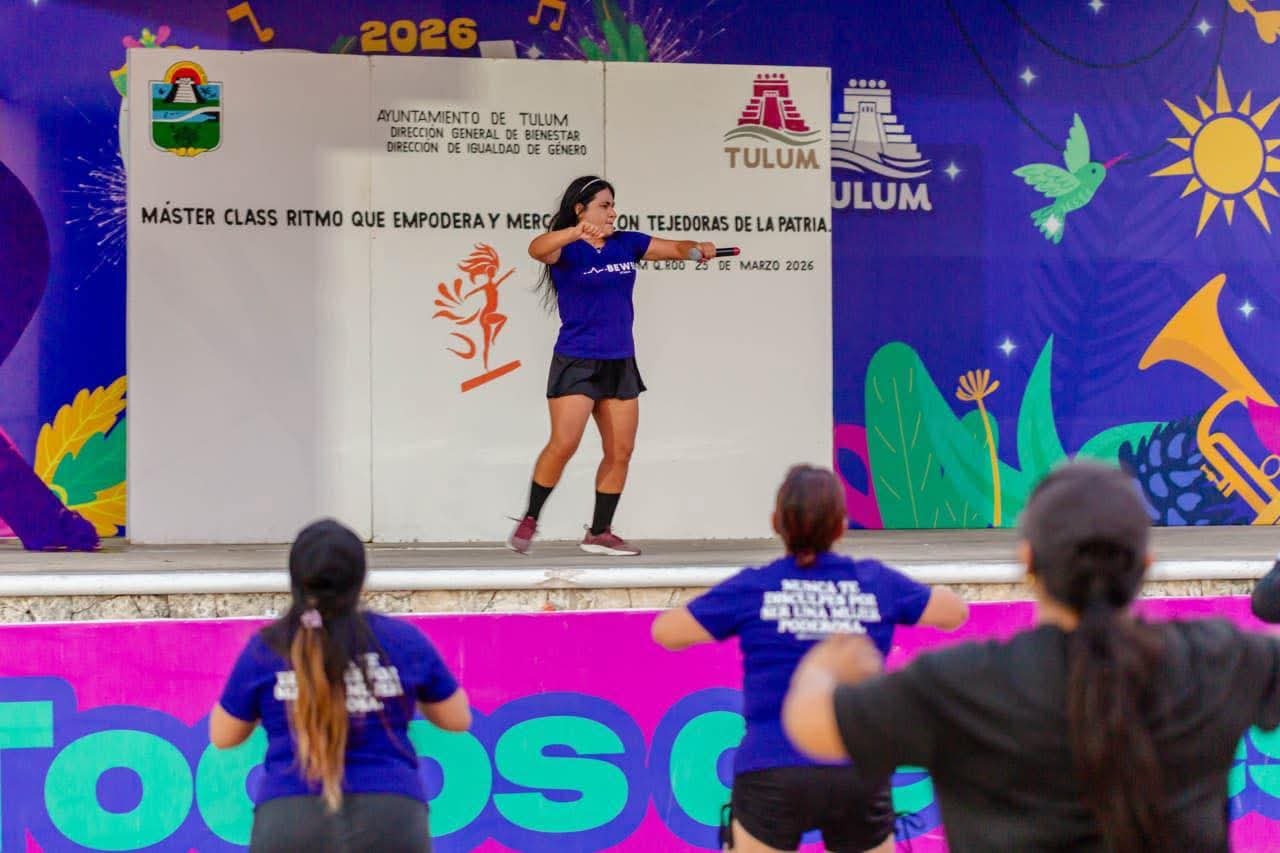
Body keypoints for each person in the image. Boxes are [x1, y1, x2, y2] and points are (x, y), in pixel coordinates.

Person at [783, 460, 1280, 852]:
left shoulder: (959, 684)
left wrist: (822, 667)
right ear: (1144, 563)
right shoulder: (1219, 660)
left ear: (1027, 561)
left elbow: (811, 726)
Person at [652, 464, 969, 852]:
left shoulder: (755, 586)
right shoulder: (875, 582)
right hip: (858, 767)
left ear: (776, 523)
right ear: (841, 526)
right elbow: (954, 613)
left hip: (772, 767)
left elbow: (666, 632)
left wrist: (740, 607)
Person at [209, 519, 471, 852]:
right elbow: (457, 718)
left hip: (291, 817)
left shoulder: (267, 648)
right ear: (360, 580)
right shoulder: (402, 641)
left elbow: (223, 736)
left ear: (297, 581)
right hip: (390, 814)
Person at [507, 174, 716, 557]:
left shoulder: (627, 243)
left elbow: (674, 247)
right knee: (564, 443)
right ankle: (531, 517)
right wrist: (574, 233)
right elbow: (537, 248)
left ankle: (600, 532)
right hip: (577, 359)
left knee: (620, 451)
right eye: (604, 205)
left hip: (620, 360)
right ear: (580, 209)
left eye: (613, 205)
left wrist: (695, 249)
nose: (612, 213)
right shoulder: (565, 250)